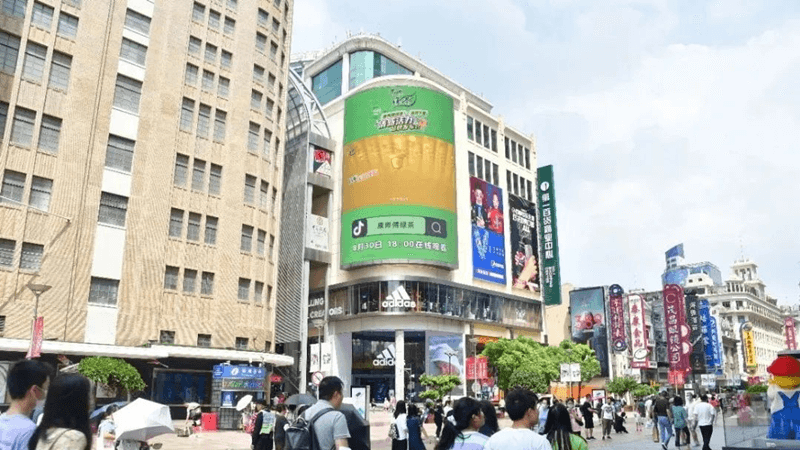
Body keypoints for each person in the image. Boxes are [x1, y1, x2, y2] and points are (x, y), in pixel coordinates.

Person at [28, 374, 92, 450]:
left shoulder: (42, 433)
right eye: (88, 395)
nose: (91, 400)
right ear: (79, 402)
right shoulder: (73, 438)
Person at [0, 360, 52, 450]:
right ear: (35, 390)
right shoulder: (29, 432)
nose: (47, 393)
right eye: (46, 388)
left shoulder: (2, 421)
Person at [483, 388, 550, 450]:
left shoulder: (493, 440)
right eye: (535, 408)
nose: (538, 412)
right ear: (529, 412)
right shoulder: (540, 443)